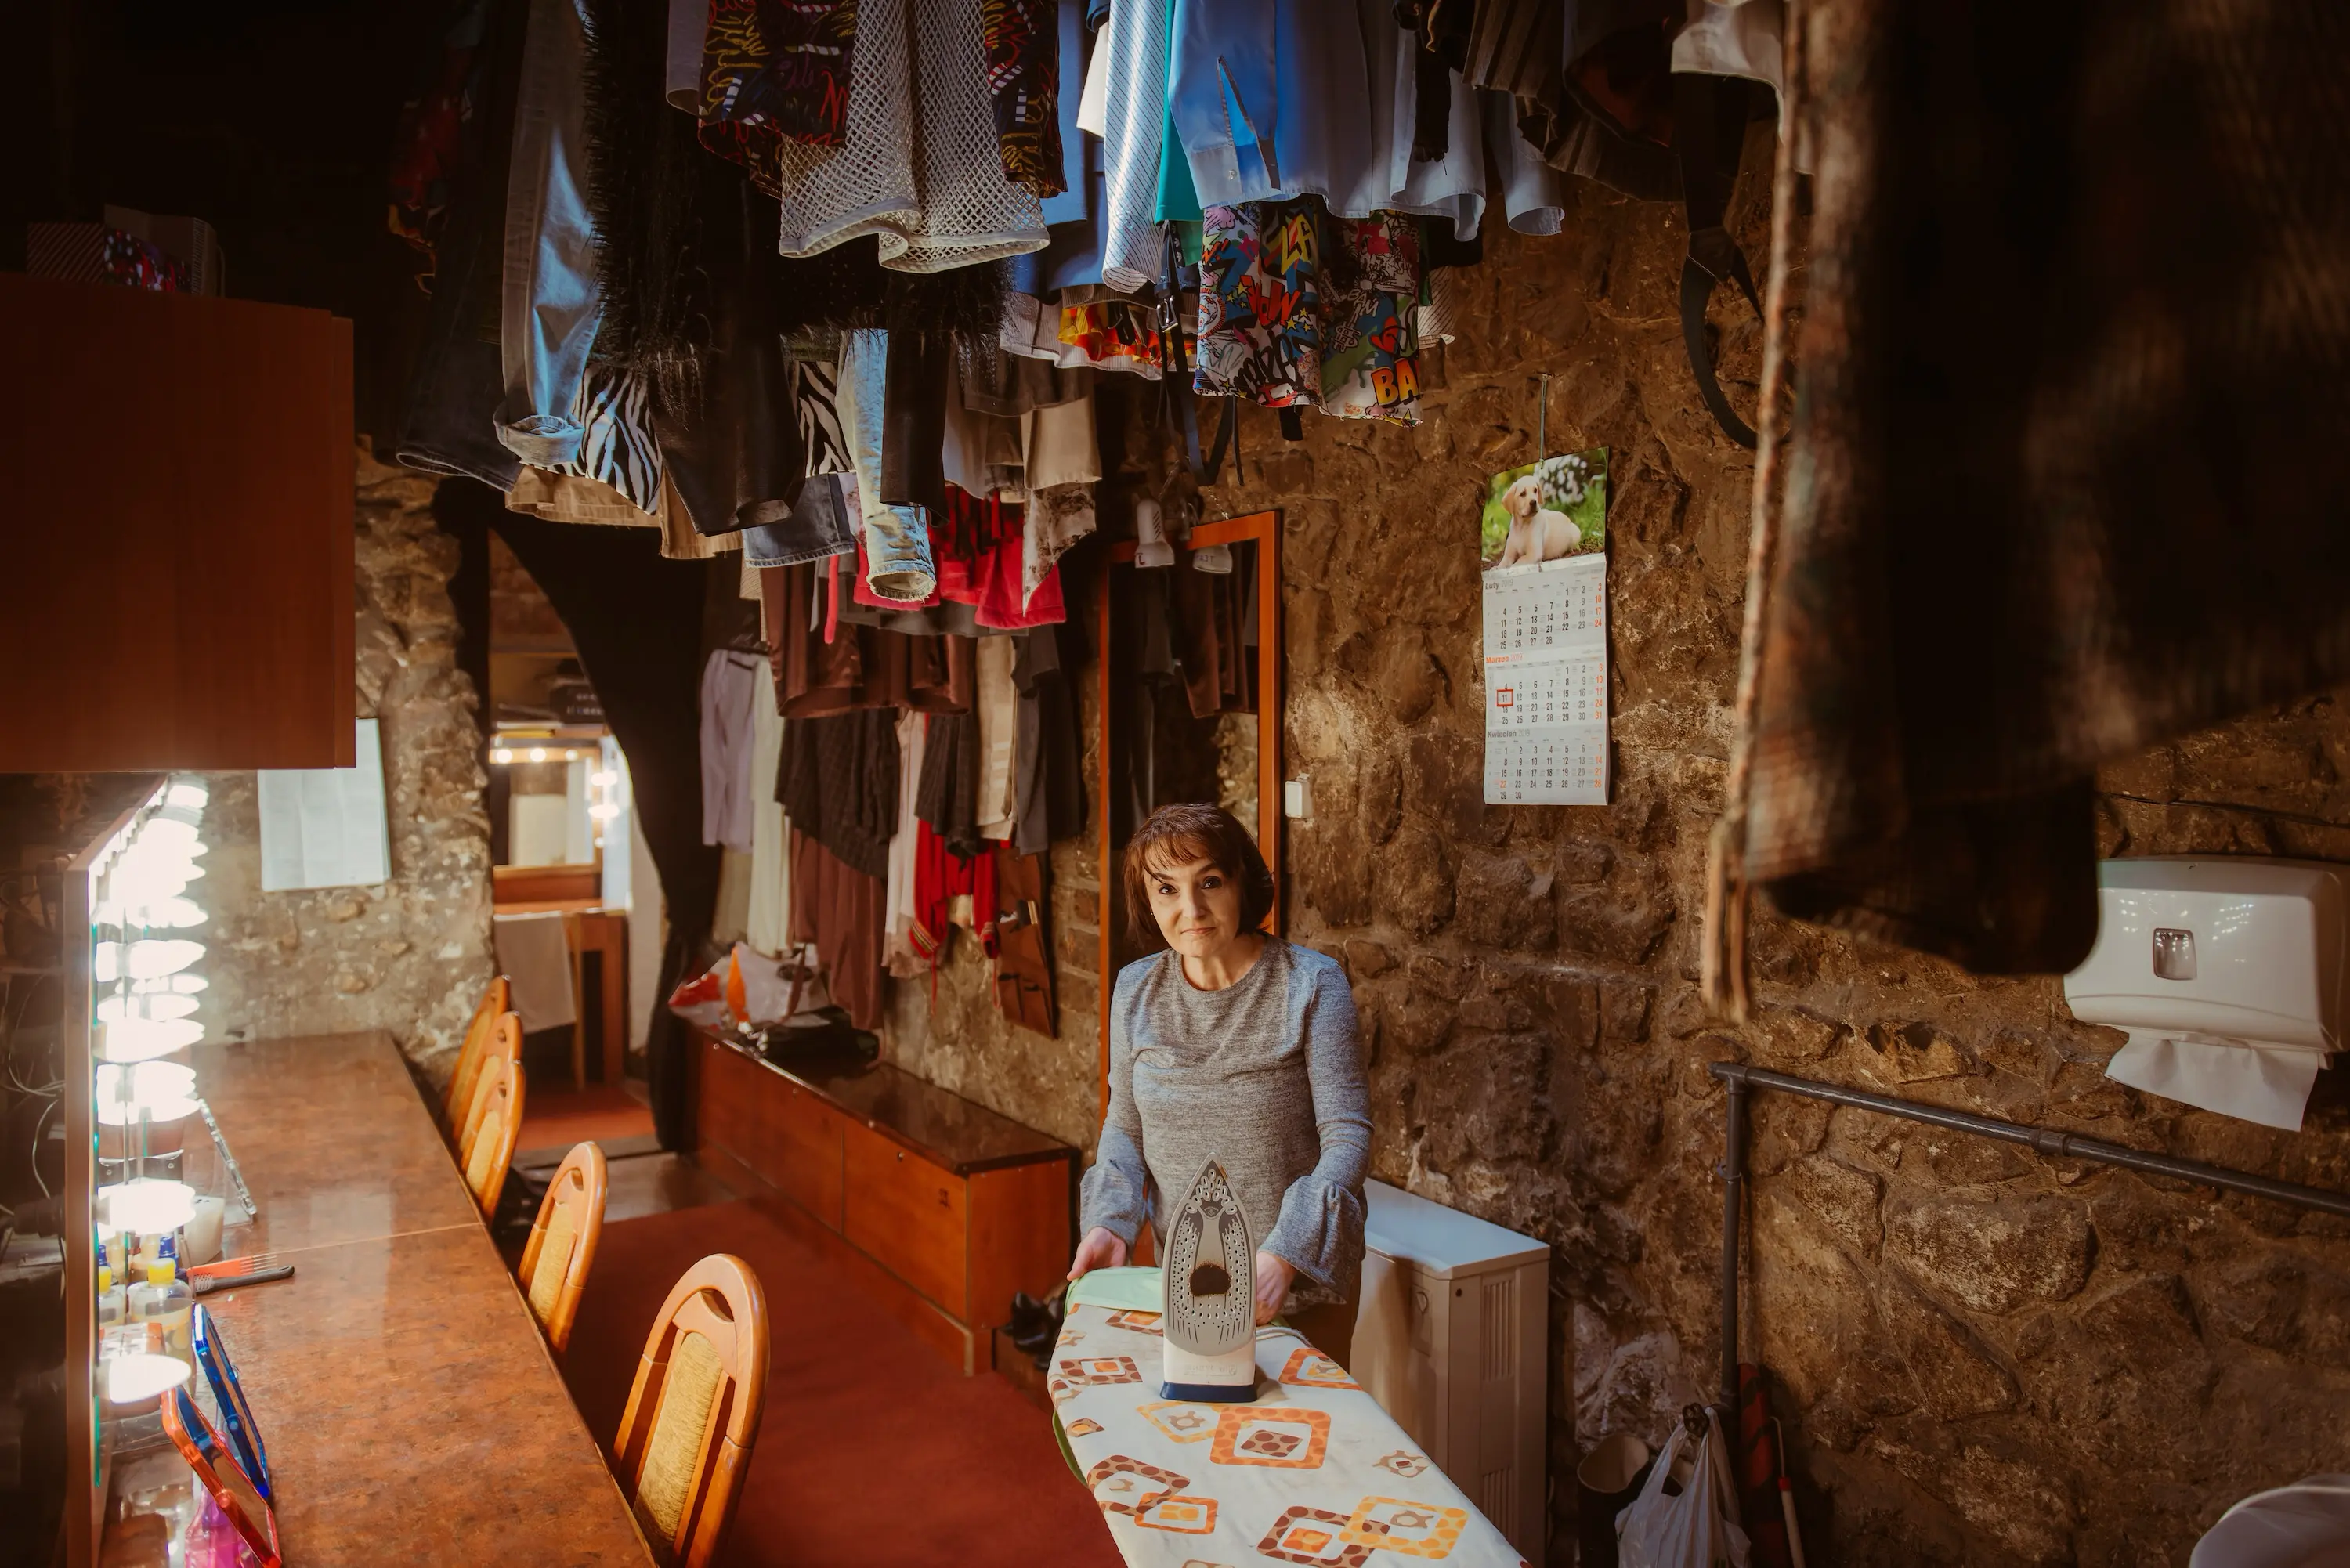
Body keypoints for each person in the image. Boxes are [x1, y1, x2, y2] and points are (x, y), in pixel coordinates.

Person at [1068, 801, 1371, 1366]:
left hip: (1293, 1288)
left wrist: (1285, 1255)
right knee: (1189, 1443)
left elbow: (1347, 1137)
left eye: (1210, 882)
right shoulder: (1135, 990)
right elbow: (1125, 1127)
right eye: (1168, 890)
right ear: (1148, 902)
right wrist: (1110, 1222)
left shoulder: (1311, 985)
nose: (1192, 909)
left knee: (1288, 1448)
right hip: (1183, 1285)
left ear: (1241, 883)